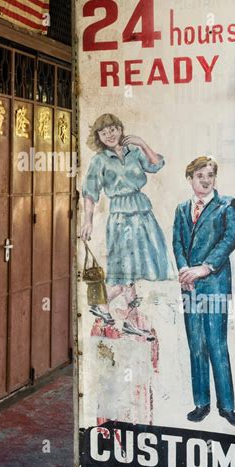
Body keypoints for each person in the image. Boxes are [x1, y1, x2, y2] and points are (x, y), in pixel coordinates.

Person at [80, 113, 174, 338]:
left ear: (121, 129)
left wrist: (142, 143)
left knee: (136, 268)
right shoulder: (99, 161)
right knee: (125, 269)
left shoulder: (135, 153)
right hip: (121, 216)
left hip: (142, 212)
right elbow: (90, 193)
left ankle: (130, 320)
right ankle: (103, 304)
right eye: (104, 132)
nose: (110, 134)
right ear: (99, 137)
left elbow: (156, 165)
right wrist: (88, 221)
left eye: (113, 129)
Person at [172, 156, 235, 427]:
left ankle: (226, 407)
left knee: (216, 343)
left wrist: (204, 268)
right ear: (189, 178)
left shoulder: (227, 205)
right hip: (189, 286)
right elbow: (177, 242)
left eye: (210, 175)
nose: (205, 179)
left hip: (214, 284)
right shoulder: (181, 209)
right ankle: (201, 403)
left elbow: (232, 238)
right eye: (200, 175)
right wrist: (183, 271)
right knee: (196, 345)